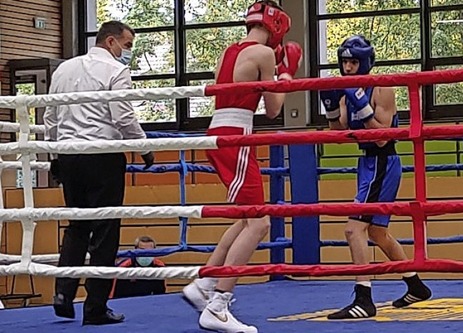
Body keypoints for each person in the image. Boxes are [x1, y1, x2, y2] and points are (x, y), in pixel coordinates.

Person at [181, 1, 302, 332]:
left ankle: (204, 283)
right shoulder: (263, 55)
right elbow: (274, 110)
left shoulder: (227, 51)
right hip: (237, 134)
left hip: (218, 130)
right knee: (260, 223)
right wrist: (287, 71)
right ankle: (218, 305)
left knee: (245, 218)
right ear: (277, 26)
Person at [43, 20, 154, 325]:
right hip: (103, 156)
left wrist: (55, 154)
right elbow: (122, 116)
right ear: (110, 41)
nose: (128, 52)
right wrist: (144, 147)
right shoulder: (116, 71)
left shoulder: (64, 69)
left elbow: (50, 115)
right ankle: (94, 308)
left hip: (69, 156)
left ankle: (62, 294)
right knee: (105, 231)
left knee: (77, 226)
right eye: (127, 45)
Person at [319, 35, 432, 319]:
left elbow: (382, 138)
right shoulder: (347, 91)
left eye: (353, 62)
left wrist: (363, 106)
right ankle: (415, 285)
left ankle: (364, 298)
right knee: (377, 232)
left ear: (365, 62)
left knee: (353, 229)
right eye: (344, 61)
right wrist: (332, 107)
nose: (347, 67)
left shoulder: (382, 90)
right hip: (368, 163)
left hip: (383, 161)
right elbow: (338, 133)